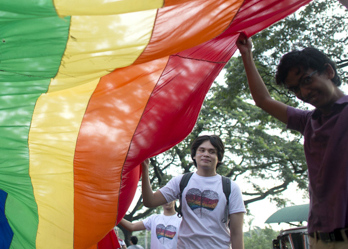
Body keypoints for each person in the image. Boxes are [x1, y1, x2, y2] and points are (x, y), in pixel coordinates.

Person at [236, 34, 347, 248]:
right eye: (295, 89)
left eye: (306, 80)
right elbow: (263, 100)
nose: (303, 92)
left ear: (329, 72)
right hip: (318, 239)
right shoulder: (309, 121)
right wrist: (247, 54)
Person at [141, 135, 246, 249]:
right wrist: (145, 169)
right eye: (202, 150)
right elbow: (150, 201)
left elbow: (237, 233)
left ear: (219, 158)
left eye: (212, 151)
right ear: (194, 155)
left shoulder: (230, 187)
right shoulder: (181, 181)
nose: (206, 154)